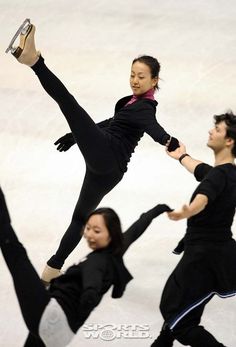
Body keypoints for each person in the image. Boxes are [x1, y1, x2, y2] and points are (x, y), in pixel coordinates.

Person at [7, 20, 179, 284]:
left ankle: (34, 61)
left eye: (141, 77)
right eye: (132, 74)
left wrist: (169, 140)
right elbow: (112, 123)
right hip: (109, 169)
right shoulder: (134, 102)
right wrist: (75, 136)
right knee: (79, 218)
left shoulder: (145, 108)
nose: (134, 80)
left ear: (154, 80)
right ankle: (52, 270)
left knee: (68, 102)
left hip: (106, 154)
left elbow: (153, 129)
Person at [0, 185, 171, 347]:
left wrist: (89, 297)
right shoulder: (115, 250)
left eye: (96, 231)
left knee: (15, 253)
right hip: (62, 334)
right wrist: (156, 211)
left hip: (50, 318)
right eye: (88, 228)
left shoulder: (97, 263)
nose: (89, 235)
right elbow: (135, 231)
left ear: (111, 233)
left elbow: (92, 284)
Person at [151, 111, 236, 347]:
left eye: (217, 130)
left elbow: (204, 197)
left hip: (203, 258)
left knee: (174, 310)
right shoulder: (229, 173)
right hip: (219, 256)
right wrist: (182, 156)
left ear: (229, 141)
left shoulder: (218, 177)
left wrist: (186, 212)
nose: (211, 131)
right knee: (183, 308)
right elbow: (202, 171)